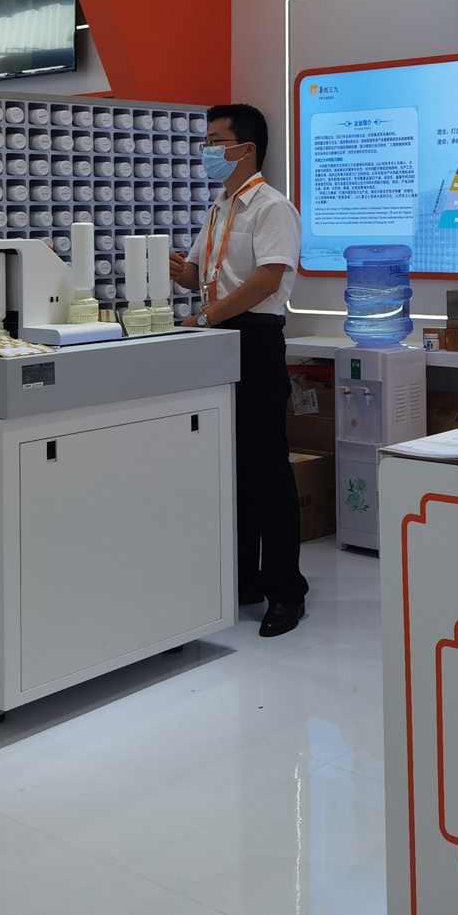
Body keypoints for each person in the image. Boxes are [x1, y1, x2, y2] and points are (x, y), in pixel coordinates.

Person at [169, 104, 309, 638]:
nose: (207, 151)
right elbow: (203, 276)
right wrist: (178, 271)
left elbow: (268, 279)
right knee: (233, 465)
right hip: (219, 337)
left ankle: (286, 591)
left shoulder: (272, 207)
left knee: (268, 469)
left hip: (255, 338)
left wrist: (207, 314)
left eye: (215, 140)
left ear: (245, 149)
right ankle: (245, 578)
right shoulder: (220, 207)